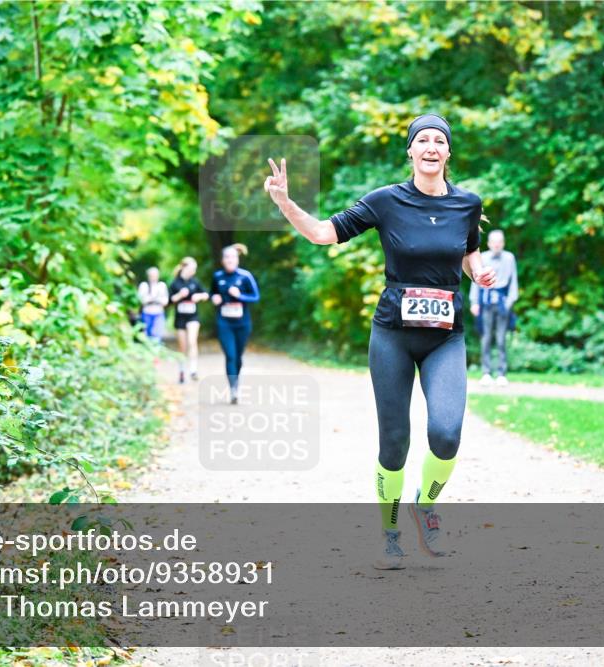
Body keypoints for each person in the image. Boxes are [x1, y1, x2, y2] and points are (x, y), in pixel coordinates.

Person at [264, 113, 496, 570]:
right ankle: (390, 530)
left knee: (446, 434)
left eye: (439, 141)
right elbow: (323, 234)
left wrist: (478, 271)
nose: (431, 147)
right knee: (394, 441)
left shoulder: (467, 203)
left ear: (448, 153)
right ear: (410, 151)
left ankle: (424, 506)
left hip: (445, 337)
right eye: (422, 140)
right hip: (392, 334)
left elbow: (468, 251)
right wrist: (285, 203)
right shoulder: (385, 201)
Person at [210, 244, 260, 404]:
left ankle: (236, 382)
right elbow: (213, 293)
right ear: (222, 260)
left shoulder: (245, 276)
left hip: (243, 323)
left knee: (238, 357)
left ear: (237, 259)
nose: (230, 260)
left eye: (233, 257)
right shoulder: (217, 276)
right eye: (227, 257)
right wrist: (214, 298)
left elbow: (255, 297)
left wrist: (240, 296)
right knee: (230, 356)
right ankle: (233, 389)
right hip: (224, 322)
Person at [469, 230, 519, 386]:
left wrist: (510, 302)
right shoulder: (482, 257)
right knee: (485, 338)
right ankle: (486, 373)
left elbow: (513, 282)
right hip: (485, 302)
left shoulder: (509, 258)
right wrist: (474, 302)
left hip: (503, 303)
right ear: (489, 243)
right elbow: (475, 281)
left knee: (501, 338)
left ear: (503, 243)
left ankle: (502, 374)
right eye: (494, 242)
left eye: (499, 242)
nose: (497, 244)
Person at [169, 256, 209, 383]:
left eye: (195, 269)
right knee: (183, 346)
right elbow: (169, 301)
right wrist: (180, 295)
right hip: (180, 318)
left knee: (192, 341)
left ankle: (193, 370)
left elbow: (206, 294)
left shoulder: (195, 282)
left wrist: (200, 296)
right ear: (184, 267)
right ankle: (181, 371)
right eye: (192, 268)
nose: (194, 271)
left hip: (193, 316)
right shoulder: (175, 283)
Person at [137, 267, 168, 343]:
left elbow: (165, 301)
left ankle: (156, 353)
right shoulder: (144, 285)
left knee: (157, 336)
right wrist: (154, 299)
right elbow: (141, 300)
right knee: (146, 336)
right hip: (146, 313)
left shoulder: (162, 286)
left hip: (158, 313)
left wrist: (152, 299)